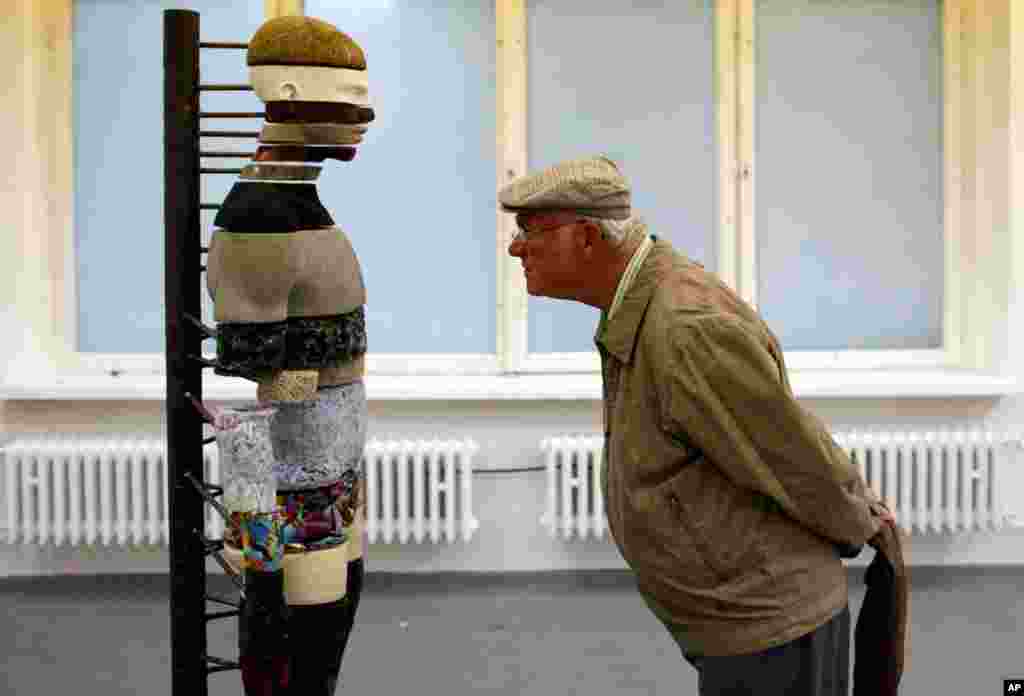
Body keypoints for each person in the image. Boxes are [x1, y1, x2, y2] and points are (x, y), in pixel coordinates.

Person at [499, 155, 899, 695]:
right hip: (743, 624)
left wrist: (864, 523)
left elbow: (791, 457)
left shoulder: (685, 328)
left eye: (530, 230)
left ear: (588, 237)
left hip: (773, 624)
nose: (515, 247)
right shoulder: (639, 306)